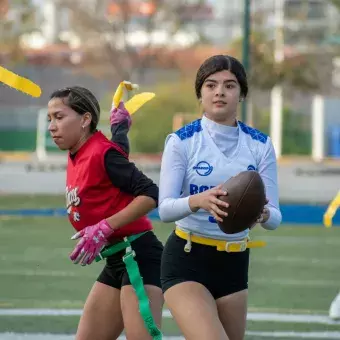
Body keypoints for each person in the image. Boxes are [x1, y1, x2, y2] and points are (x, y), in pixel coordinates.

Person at [158, 55, 282, 340]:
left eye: (230, 85)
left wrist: (261, 213)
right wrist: (198, 201)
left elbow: (275, 218)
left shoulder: (260, 144)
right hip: (187, 258)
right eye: (211, 85)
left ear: (241, 94)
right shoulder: (182, 141)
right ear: (200, 93)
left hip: (235, 263)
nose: (219, 92)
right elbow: (164, 210)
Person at [47, 86, 164, 340]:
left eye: (59, 117)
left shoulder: (101, 152)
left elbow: (151, 194)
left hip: (138, 256)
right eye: (50, 119)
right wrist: (120, 128)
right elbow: (118, 153)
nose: (51, 127)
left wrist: (104, 227)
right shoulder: (80, 151)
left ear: (85, 119)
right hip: (115, 260)